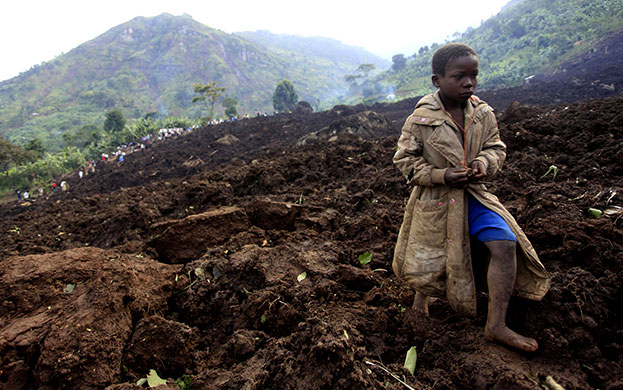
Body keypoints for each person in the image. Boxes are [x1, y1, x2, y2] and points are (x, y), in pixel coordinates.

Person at [392, 43, 550, 352]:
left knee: (504, 244)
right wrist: (442, 175)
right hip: (435, 202)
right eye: (459, 76)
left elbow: (495, 147)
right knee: (429, 257)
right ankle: (421, 297)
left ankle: (497, 324)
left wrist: (482, 164)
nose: (468, 83)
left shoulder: (482, 113)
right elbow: (405, 161)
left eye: (473, 75)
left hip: (474, 196)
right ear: (437, 80)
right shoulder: (420, 120)